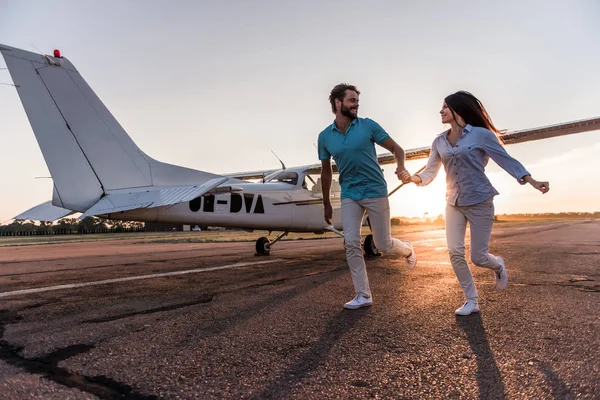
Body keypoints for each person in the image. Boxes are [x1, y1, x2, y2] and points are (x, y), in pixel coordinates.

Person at [401, 91, 549, 316]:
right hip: (453, 202)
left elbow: (505, 160)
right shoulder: (439, 141)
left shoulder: (480, 135)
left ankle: (498, 265)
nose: (440, 111)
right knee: (454, 252)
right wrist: (412, 178)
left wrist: (531, 180)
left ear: (458, 109)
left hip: (480, 200)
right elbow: (430, 172)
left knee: (478, 257)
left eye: (445, 106)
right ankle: (471, 300)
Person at [318, 83, 417, 310]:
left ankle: (408, 249)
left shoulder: (368, 126)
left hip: (374, 191)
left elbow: (397, 149)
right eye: (352, 101)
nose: (356, 105)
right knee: (351, 242)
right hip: (350, 194)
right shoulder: (325, 137)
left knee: (384, 245)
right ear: (337, 103)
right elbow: (326, 171)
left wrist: (401, 167)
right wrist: (326, 203)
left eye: (357, 101)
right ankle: (363, 295)